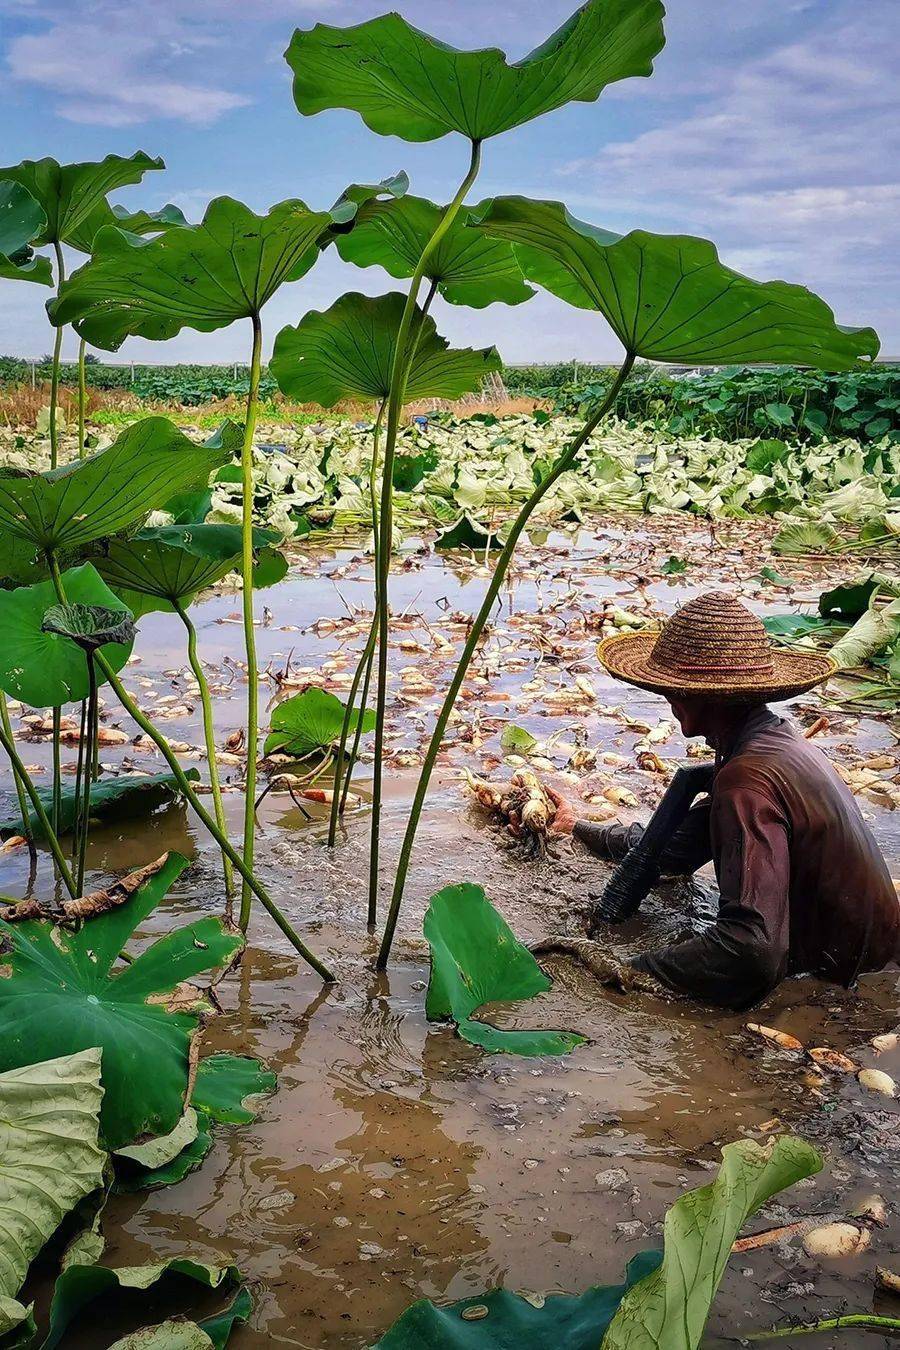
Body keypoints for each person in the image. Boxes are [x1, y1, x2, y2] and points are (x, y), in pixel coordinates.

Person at [545, 591, 900, 1010]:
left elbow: (753, 949)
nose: (667, 700)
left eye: (672, 690)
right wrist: (576, 828)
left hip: (852, 993)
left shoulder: (745, 781)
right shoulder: (772, 743)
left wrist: (627, 969)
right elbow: (672, 849)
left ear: (708, 697)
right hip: (881, 968)